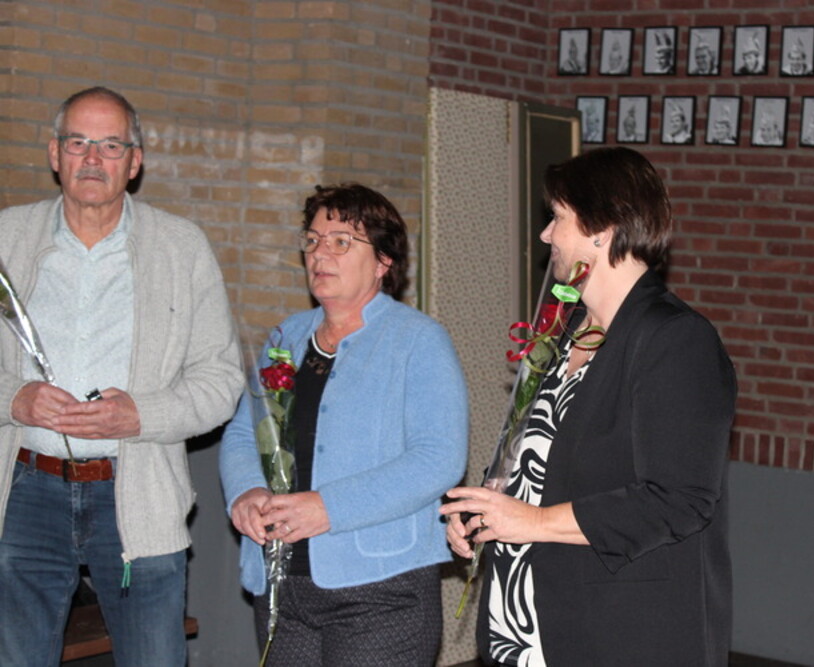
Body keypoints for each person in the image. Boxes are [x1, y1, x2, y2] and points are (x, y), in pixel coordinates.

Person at [441, 147, 737, 666]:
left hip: (620, 633)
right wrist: (486, 507)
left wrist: (533, 522)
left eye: (557, 217)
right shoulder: (564, 333)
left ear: (602, 228)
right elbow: (537, 463)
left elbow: (680, 499)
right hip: (528, 625)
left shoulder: (675, 339)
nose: (546, 235)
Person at [0, 87, 243, 666]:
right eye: (78, 142)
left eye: (111, 145)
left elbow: (220, 379)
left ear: (135, 162)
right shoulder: (6, 238)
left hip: (137, 494)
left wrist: (141, 415)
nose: (92, 158)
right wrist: (14, 399)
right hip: (23, 494)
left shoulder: (180, 248)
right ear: (54, 153)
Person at [220, 183, 468, 666]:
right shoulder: (286, 336)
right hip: (282, 585)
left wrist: (327, 507)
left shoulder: (418, 340)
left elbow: (438, 458)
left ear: (383, 261)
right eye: (313, 240)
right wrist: (246, 493)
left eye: (341, 242)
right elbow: (244, 433)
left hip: (380, 592)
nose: (320, 253)